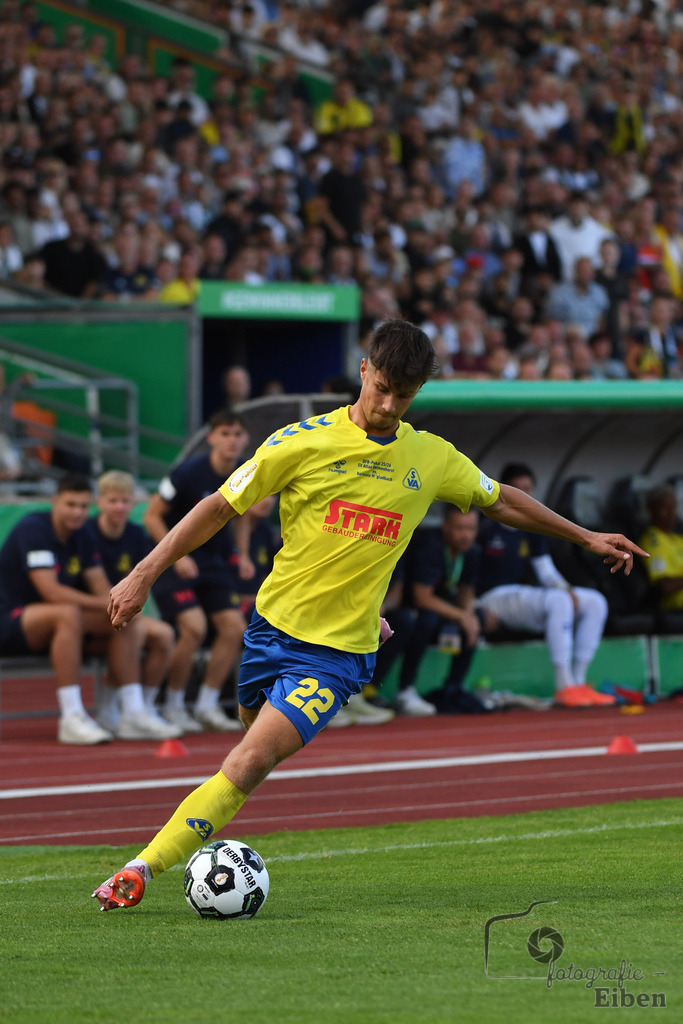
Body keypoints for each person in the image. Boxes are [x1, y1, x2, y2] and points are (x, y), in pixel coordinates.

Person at [92, 319, 645, 910]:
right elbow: (218, 505)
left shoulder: (430, 457)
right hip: (270, 630)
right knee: (246, 742)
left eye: (402, 395)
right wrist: (143, 571)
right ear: (363, 370)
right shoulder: (299, 441)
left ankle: (138, 870)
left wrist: (584, 536)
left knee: (249, 760)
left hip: (337, 655)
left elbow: (501, 500)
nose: (386, 404)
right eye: (380, 386)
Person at [0, 472, 147, 745]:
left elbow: (100, 585)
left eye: (82, 506)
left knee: (126, 619)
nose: (77, 512)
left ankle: (131, 712)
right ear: (55, 501)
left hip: (52, 622)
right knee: (67, 613)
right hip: (10, 619)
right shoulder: (33, 529)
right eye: (70, 505)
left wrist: (118, 606)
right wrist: (109, 602)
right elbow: (51, 592)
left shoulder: (83, 535)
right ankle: (71, 716)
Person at [477, 462, 616, 708]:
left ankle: (579, 682)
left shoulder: (530, 528)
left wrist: (566, 589)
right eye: (517, 489)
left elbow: (546, 571)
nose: (524, 495)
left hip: (518, 599)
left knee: (594, 601)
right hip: (489, 599)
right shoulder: (484, 526)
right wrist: (475, 609)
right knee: (557, 600)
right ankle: (564, 685)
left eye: (528, 490)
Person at [145, 411, 250, 734]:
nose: (232, 440)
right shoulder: (188, 472)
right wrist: (176, 557)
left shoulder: (244, 472)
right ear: (212, 438)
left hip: (214, 562)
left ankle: (206, 705)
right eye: (226, 434)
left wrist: (243, 554)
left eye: (237, 434)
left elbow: (243, 515)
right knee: (194, 628)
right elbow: (152, 516)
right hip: (177, 560)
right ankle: (173, 705)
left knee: (234, 629)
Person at [85, 471, 181, 739]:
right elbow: (99, 587)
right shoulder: (87, 532)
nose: (119, 506)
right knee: (132, 628)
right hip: (93, 612)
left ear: (133, 503)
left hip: (120, 611)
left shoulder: (136, 535)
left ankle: (142, 709)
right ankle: (128, 711)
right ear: (99, 502)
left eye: (125, 501)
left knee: (164, 633)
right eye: (113, 500)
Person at [390, 506, 484, 716]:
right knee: (427, 621)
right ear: (445, 526)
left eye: (471, 528)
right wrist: (461, 615)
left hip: (443, 610)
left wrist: (468, 615)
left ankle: (453, 688)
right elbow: (421, 597)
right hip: (412, 610)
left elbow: (466, 591)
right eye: (460, 528)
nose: (466, 534)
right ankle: (406, 689)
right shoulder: (430, 546)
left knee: (476, 619)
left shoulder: (472, 551)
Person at [639, 484, 683, 613]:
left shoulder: (679, 539)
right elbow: (665, 586)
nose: (671, 512)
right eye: (665, 506)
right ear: (651, 510)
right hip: (674, 607)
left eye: (673, 506)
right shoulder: (652, 540)